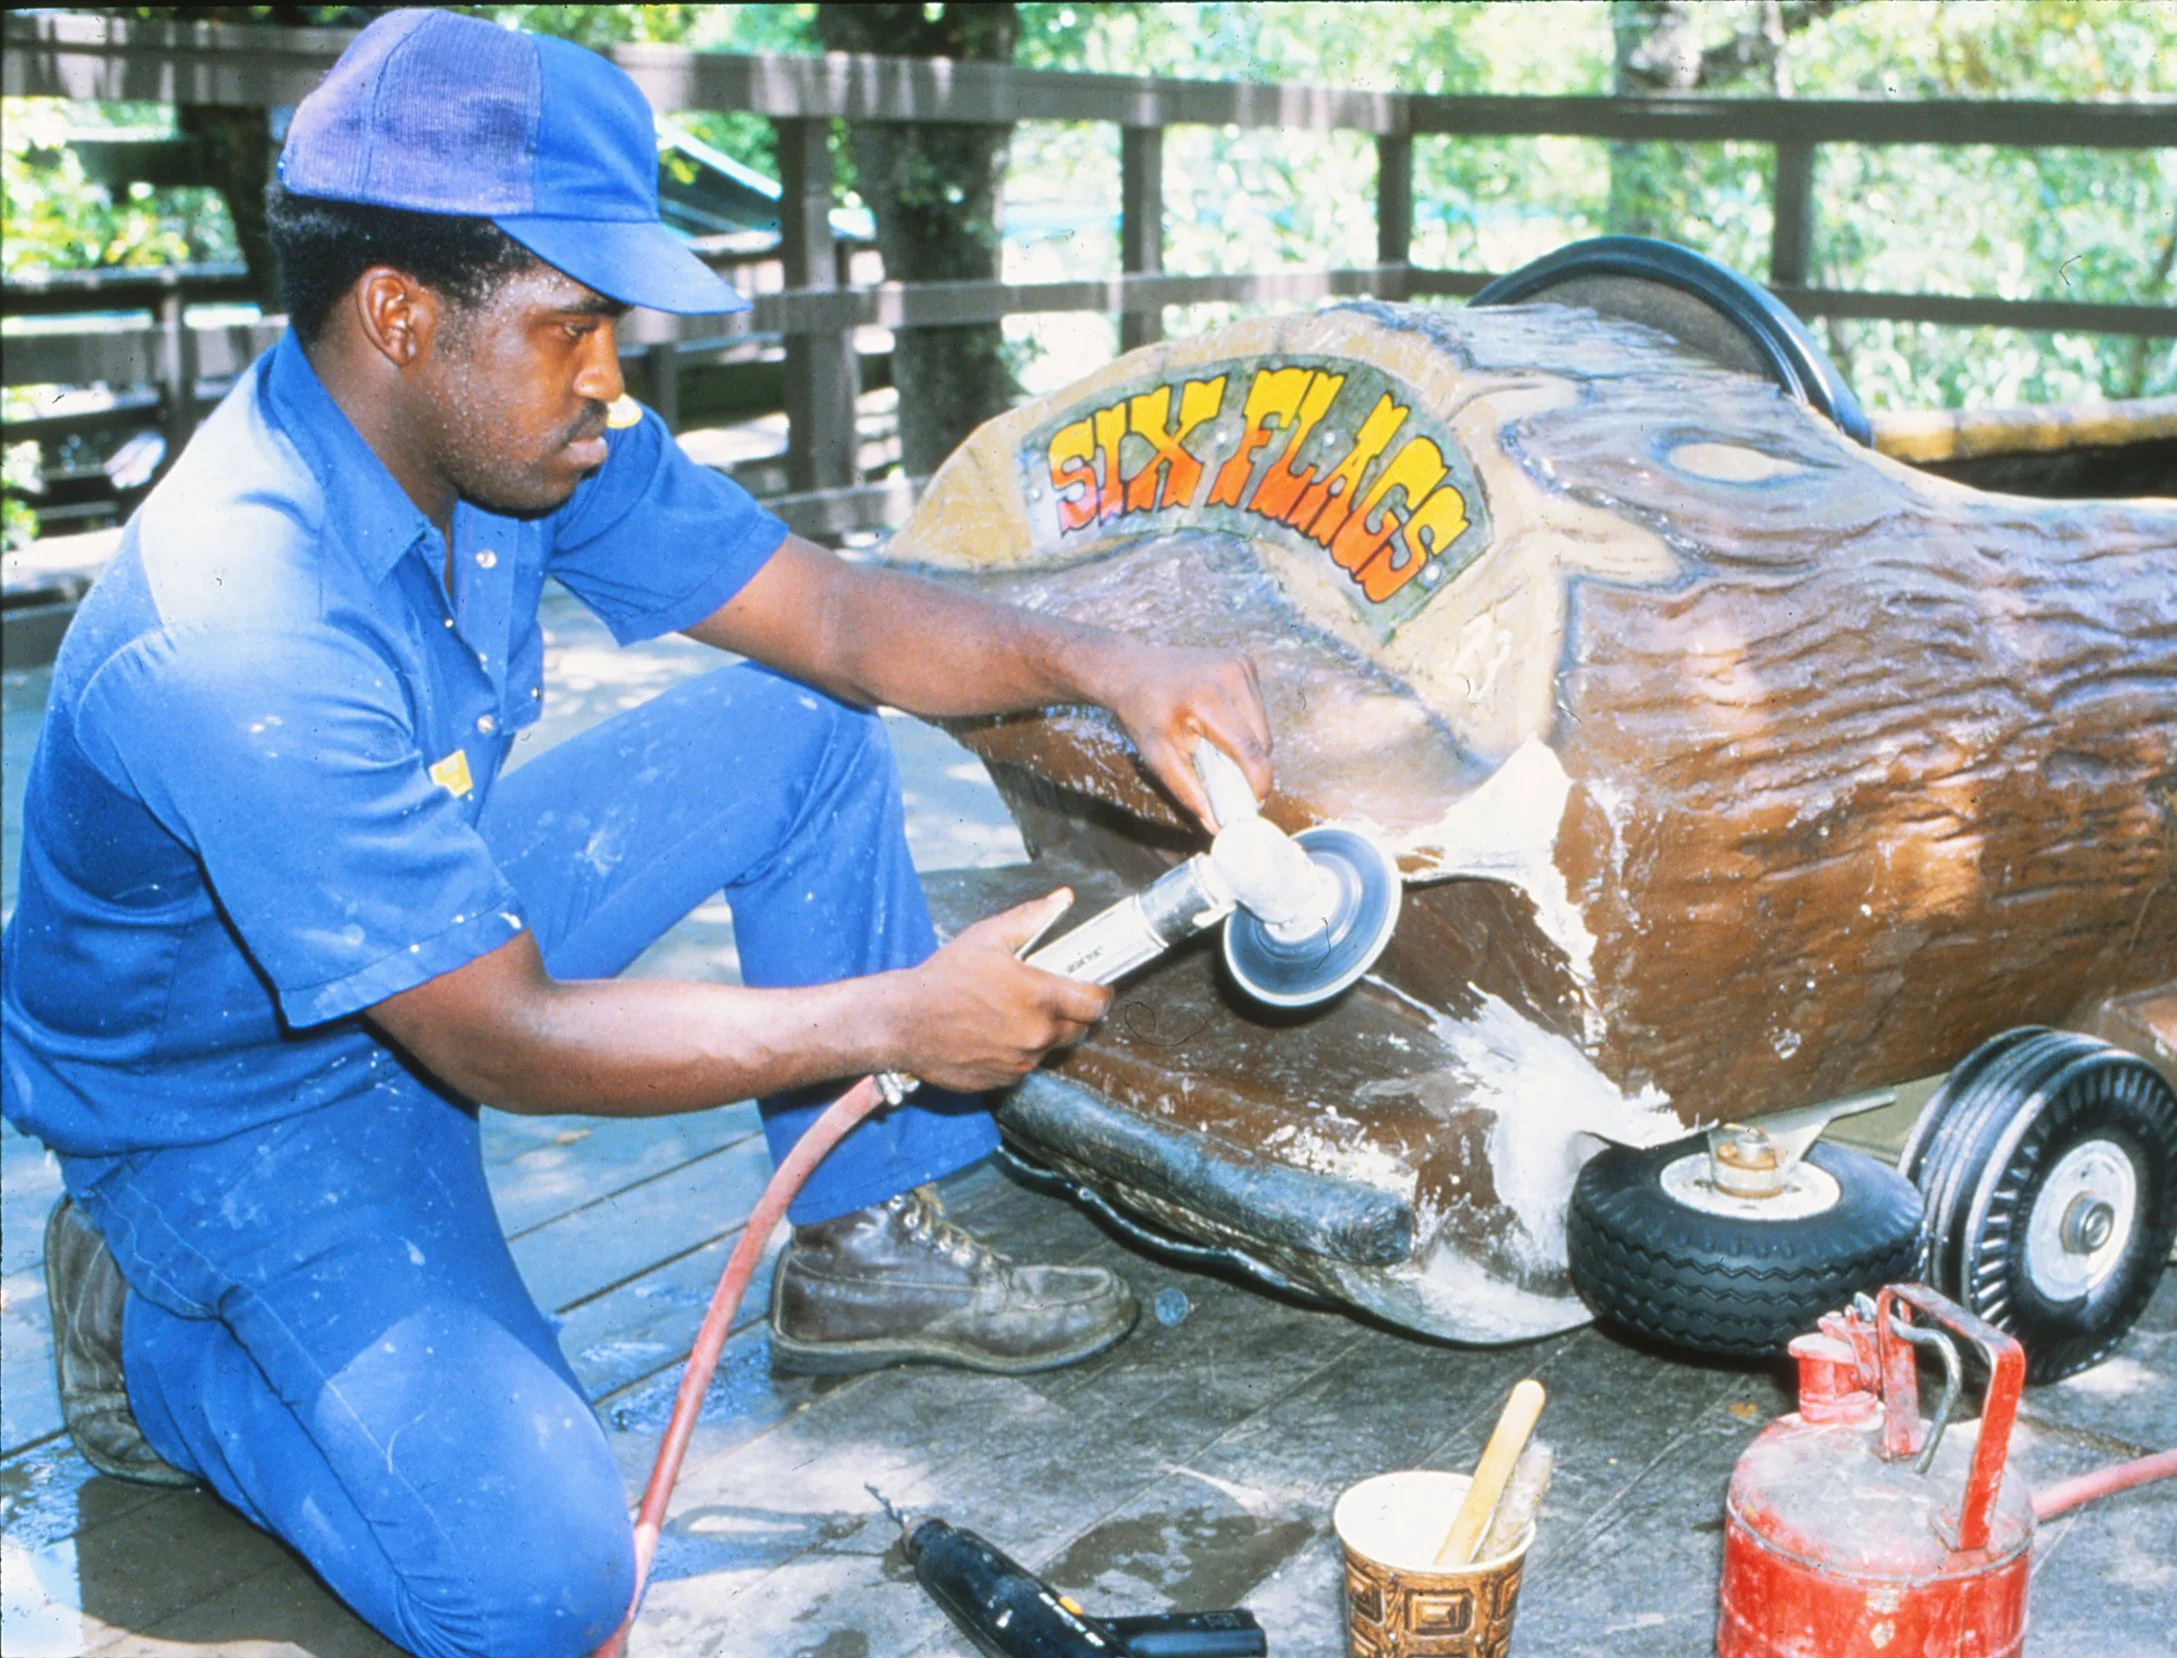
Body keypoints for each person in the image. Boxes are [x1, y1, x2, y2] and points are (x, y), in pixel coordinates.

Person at [0, 12, 1269, 1657]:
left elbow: (833, 618)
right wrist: (899, 1019)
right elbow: (504, 1038)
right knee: (538, 1589)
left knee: (802, 725)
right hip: (233, 1107)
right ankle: (152, 1341)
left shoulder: (505, 436)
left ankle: (860, 1241)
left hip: (431, 949)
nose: (610, 374)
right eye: (573, 323)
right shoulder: (239, 624)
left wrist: (1105, 657)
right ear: (400, 315)